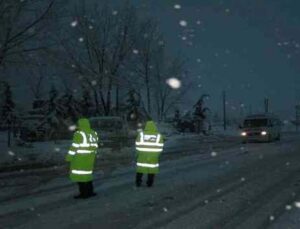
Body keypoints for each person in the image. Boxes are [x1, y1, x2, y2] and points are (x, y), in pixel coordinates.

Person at [66, 118, 99, 199]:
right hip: (90, 158)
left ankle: (84, 193)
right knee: (87, 175)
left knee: (80, 176)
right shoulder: (93, 133)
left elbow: (74, 147)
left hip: (80, 159)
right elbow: (95, 146)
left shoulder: (79, 134)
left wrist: (69, 157)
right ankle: (90, 192)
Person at [135, 120, 164, 187]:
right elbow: (160, 147)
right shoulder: (158, 136)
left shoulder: (141, 134)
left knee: (140, 169)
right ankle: (149, 183)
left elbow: (137, 144)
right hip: (153, 156)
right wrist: (156, 154)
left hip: (142, 155)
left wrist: (140, 152)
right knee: (151, 170)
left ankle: (138, 182)